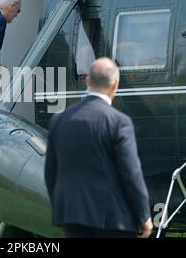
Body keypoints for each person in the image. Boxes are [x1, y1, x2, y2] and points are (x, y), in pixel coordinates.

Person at [44, 57, 153, 238]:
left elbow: (50, 173)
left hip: (72, 217)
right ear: (115, 84)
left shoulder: (59, 120)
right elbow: (130, 172)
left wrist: (61, 208)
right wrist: (143, 215)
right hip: (113, 219)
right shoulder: (119, 122)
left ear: (87, 81)